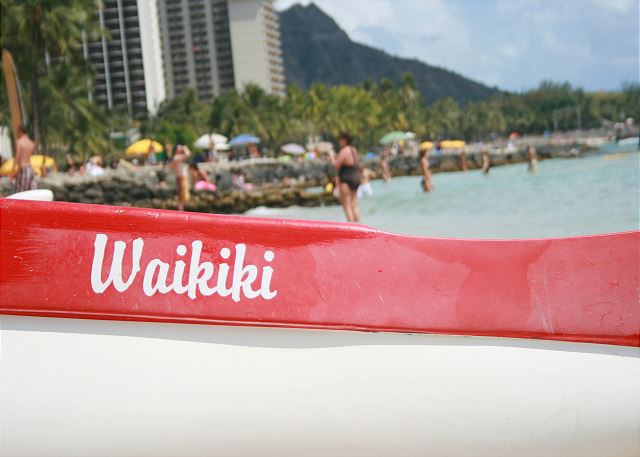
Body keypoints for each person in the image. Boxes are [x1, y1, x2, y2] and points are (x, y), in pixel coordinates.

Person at [329, 132, 360, 223]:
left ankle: (351, 227)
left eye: (340, 139)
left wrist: (331, 156)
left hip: (346, 180)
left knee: (346, 206)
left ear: (345, 140)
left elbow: (336, 165)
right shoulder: (353, 150)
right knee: (354, 205)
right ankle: (358, 225)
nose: (339, 141)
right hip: (356, 178)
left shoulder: (344, 151)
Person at [12, 125, 36, 192]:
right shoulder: (31, 143)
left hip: (23, 169)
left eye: (17, 133)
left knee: (20, 192)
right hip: (30, 169)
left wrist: (13, 170)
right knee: (31, 192)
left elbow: (17, 157)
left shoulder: (19, 142)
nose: (17, 135)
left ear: (21, 131)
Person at [170, 145, 191, 211]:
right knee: (182, 194)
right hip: (181, 178)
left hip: (182, 178)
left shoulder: (178, 157)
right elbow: (188, 154)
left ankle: (182, 209)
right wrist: (185, 148)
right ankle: (181, 209)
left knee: (183, 195)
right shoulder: (176, 157)